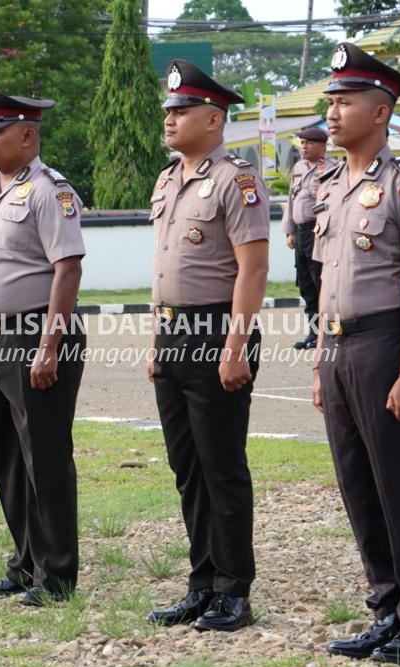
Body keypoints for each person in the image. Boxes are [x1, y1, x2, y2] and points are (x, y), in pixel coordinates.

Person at [311, 43, 400, 665]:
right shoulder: (331, 186)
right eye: (330, 102)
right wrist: (319, 359)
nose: (332, 114)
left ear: (381, 112)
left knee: (399, 486)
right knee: (357, 486)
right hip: (337, 346)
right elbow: (324, 282)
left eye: (345, 103)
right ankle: (386, 608)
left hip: (385, 343)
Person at [144, 59, 269, 633]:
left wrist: (236, 345)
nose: (169, 118)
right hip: (172, 334)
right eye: (168, 109)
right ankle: (201, 582)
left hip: (217, 332)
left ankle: (233, 589)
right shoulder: (169, 178)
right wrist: (154, 338)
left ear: (213, 119)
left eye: (181, 110)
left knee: (221, 467)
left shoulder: (236, 179)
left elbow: (252, 269)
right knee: (187, 468)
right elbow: (163, 268)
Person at [0, 87, 86, 607]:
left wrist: (50, 344)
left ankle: (58, 575)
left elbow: (68, 267)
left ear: (28, 136)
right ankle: (26, 564)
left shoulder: (48, 191)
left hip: (36, 333)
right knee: (6, 457)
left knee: (46, 457)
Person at [283, 127, 335, 349]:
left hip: (319, 232)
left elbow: (333, 204)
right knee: (306, 287)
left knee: (322, 284)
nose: (303, 147)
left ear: (323, 146)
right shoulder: (298, 168)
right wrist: (289, 230)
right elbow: (292, 200)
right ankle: (313, 335)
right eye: (302, 143)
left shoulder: (331, 169)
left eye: (309, 143)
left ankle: (329, 335)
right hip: (301, 232)